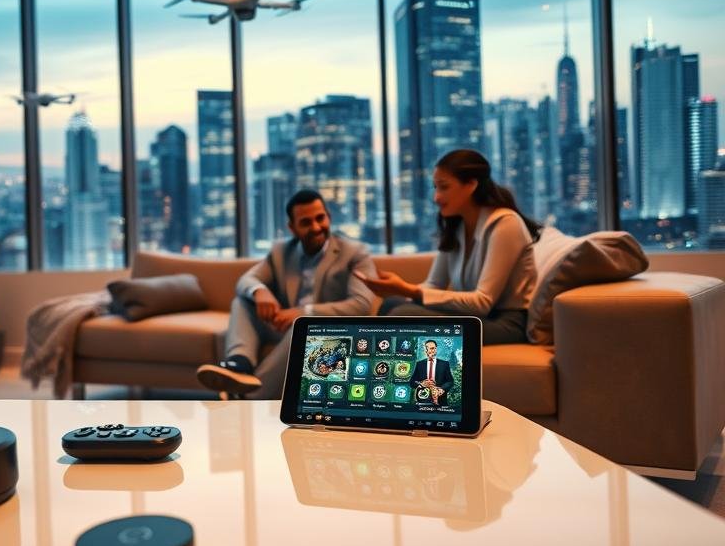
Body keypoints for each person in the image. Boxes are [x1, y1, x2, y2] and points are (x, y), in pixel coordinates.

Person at [196, 189, 376, 399]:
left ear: (329, 217)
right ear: (292, 228)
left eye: (320, 218)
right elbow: (246, 280)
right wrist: (260, 290)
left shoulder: (355, 253)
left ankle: (248, 395)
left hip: (325, 332)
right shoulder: (281, 252)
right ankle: (239, 366)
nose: (316, 227)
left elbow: (361, 304)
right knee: (243, 302)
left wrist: (304, 313)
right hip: (284, 326)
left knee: (301, 327)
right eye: (306, 222)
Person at [358, 149, 540, 344]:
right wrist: (399, 291)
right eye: (435, 187)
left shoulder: (505, 223)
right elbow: (434, 285)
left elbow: (483, 303)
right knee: (391, 304)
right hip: (479, 318)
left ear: (471, 184)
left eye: (443, 187)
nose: (436, 197)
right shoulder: (457, 225)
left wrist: (408, 290)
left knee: (401, 315)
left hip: (506, 323)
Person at [409, 339, 453, 406]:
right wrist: (422, 384)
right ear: (426, 350)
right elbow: (412, 382)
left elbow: (450, 381)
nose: (434, 350)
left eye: (435, 348)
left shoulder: (444, 364)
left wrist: (442, 389)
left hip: (440, 401)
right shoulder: (419, 364)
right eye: (432, 348)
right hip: (422, 400)